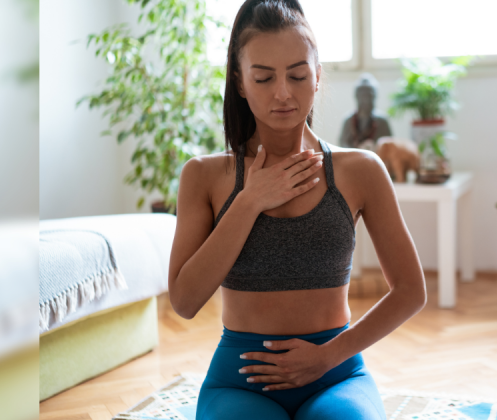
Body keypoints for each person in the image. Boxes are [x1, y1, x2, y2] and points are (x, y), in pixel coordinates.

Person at [167, 1, 426, 419]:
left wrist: (327, 357)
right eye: (264, 77)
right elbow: (184, 301)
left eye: (298, 75)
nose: (283, 92)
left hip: (337, 373)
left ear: (318, 76)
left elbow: (412, 291)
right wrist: (249, 200)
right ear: (239, 82)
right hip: (240, 379)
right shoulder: (204, 176)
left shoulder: (361, 170)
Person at [339, 73, 393, 150]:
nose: (366, 101)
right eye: (363, 96)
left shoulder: (382, 121)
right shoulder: (349, 120)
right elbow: (342, 145)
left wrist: (374, 147)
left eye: (369, 96)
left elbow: (389, 147)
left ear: (374, 97)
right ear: (357, 97)